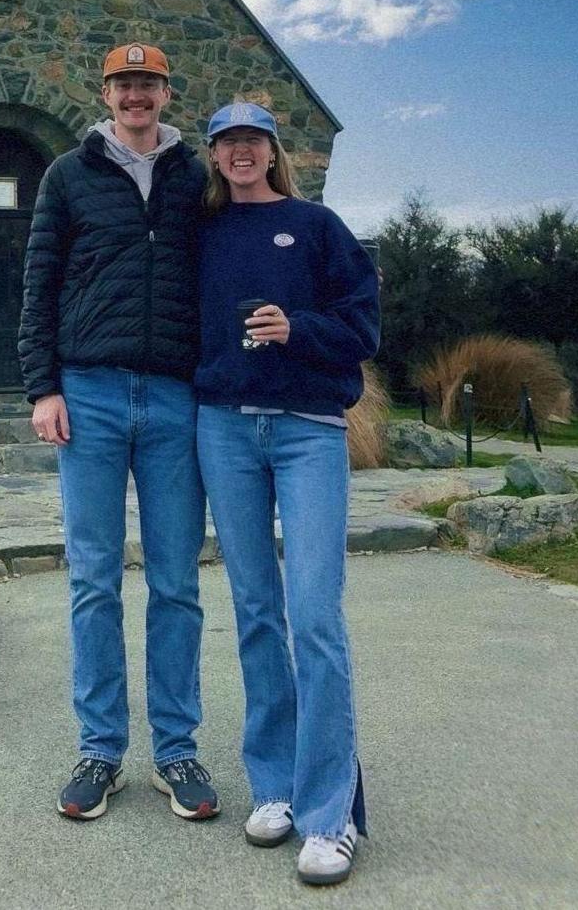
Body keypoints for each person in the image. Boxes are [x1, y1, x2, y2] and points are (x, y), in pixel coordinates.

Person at [18, 42, 220, 823]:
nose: (137, 95)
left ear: (168, 91)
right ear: (104, 92)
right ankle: (100, 749)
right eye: (124, 83)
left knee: (176, 580)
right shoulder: (68, 175)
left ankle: (177, 750)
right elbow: (39, 282)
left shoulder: (196, 179)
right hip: (90, 394)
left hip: (175, 399)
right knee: (93, 578)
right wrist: (43, 386)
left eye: (150, 83)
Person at [193, 101, 380, 887]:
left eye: (253, 140)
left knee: (315, 614)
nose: (241, 151)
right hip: (226, 431)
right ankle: (273, 786)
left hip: (308, 430)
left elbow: (362, 328)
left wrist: (295, 327)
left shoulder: (318, 227)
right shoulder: (200, 233)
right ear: (214, 154)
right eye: (227, 140)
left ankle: (331, 814)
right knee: (258, 614)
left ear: (274, 150)